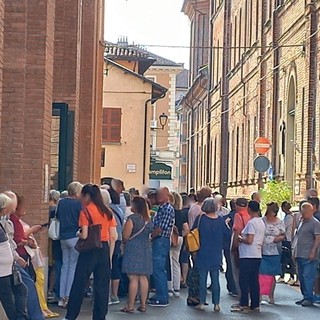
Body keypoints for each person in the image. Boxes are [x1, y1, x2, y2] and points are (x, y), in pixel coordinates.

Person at [64, 184, 118, 320]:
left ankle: (71, 316)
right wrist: (110, 257)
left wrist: (78, 233)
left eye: (82, 196)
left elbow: (85, 235)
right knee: (102, 286)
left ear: (87, 196)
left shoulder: (86, 211)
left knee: (79, 283)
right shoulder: (107, 211)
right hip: (104, 248)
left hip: (89, 250)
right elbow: (114, 236)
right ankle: (100, 316)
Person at [2, 191, 44, 320]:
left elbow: (10, 244)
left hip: (10, 263)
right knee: (15, 294)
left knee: (20, 290)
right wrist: (17, 257)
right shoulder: (7, 221)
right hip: (6, 267)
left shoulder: (7, 221)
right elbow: (11, 243)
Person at [16, 194, 59, 318]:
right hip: (22, 257)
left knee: (36, 282)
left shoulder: (18, 221)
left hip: (29, 256)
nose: (25, 208)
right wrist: (31, 232)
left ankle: (39, 310)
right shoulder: (13, 221)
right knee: (29, 286)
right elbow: (17, 239)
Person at [193, 198, 227, 312]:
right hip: (216, 252)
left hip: (202, 251)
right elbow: (227, 234)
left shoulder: (200, 219)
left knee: (202, 278)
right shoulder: (221, 220)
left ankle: (202, 302)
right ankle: (216, 304)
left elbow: (193, 232)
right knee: (215, 278)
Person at [231, 201, 266, 313]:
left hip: (247, 255)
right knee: (254, 280)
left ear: (249, 209)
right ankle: (255, 303)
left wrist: (241, 239)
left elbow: (250, 240)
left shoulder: (251, 223)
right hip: (257, 254)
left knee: (244, 280)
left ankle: (244, 303)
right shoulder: (261, 222)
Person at [121, 196, 153, 313]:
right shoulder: (148, 220)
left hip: (133, 249)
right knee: (143, 277)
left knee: (133, 278)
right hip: (145, 249)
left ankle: (130, 305)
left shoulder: (132, 219)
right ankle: (143, 304)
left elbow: (125, 236)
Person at [0, 193, 28, 320]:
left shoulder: (3, 223)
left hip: (8, 269)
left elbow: (8, 244)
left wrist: (15, 258)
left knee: (21, 290)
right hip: (2, 272)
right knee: (8, 301)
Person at [56, 181, 83, 308]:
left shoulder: (61, 202)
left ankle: (61, 297)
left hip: (62, 236)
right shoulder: (78, 204)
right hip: (74, 236)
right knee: (72, 267)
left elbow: (58, 217)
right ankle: (68, 296)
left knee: (64, 266)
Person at [149, 187, 175, 307]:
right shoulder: (162, 208)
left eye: (160, 194)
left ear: (166, 195)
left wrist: (151, 236)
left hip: (161, 240)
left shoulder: (167, 209)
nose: (157, 197)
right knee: (158, 268)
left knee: (158, 268)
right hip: (160, 240)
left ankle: (162, 297)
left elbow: (160, 228)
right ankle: (160, 294)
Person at [293, 202, 320, 307]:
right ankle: (305, 296)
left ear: (311, 211)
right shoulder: (302, 222)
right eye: (301, 212)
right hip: (300, 254)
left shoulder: (315, 223)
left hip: (309, 255)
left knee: (308, 276)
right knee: (302, 277)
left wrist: (313, 251)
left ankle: (309, 298)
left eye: (304, 212)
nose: (302, 214)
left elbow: (317, 239)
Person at [260, 202, 285, 304]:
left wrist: (278, 238)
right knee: (261, 274)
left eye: (272, 212)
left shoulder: (279, 222)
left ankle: (271, 296)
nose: (270, 214)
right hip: (262, 250)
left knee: (272, 274)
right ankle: (261, 295)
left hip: (274, 251)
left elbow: (283, 235)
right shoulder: (262, 221)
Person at [168, 192, 189, 297]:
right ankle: (176, 287)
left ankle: (170, 287)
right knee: (176, 262)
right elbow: (186, 228)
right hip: (180, 238)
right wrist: (181, 235)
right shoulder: (181, 213)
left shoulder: (169, 211)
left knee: (169, 263)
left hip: (170, 238)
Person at [108, 182, 125, 305]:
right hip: (118, 239)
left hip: (110, 240)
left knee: (107, 266)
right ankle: (114, 294)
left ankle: (108, 295)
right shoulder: (119, 210)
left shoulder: (108, 210)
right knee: (115, 266)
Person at [230, 198, 250, 298]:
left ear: (237, 206)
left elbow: (236, 231)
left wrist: (233, 246)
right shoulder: (250, 215)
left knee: (237, 274)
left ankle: (242, 297)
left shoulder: (238, 215)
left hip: (239, 247)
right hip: (250, 248)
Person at [48, 190, 62, 303]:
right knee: (59, 266)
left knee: (56, 266)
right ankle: (57, 290)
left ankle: (50, 290)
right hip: (59, 240)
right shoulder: (56, 210)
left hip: (52, 240)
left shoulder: (48, 211)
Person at [278, 201, 296, 285]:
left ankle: (289, 275)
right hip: (287, 239)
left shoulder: (289, 217)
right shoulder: (288, 216)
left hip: (287, 239)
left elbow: (284, 228)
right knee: (287, 258)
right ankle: (287, 275)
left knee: (286, 258)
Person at [223, 199, 237, 296]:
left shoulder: (225, 217)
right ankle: (236, 287)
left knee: (229, 265)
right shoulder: (240, 217)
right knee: (236, 267)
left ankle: (230, 286)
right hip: (237, 244)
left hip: (227, 244)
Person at [179, 193, 191, 287]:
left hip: (183, 238)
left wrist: (182, 236)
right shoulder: (190, 211)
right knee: (185, 259)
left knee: (181, 259)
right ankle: (185, 279)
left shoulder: (181, 213)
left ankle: (182, 279)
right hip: (190, 238)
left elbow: (186, 228)